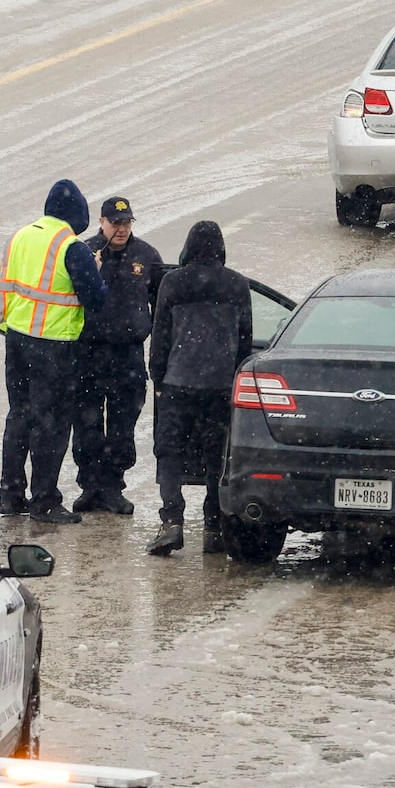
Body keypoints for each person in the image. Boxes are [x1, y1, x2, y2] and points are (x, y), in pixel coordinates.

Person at [0, 179, 106, 523]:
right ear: (76, 215)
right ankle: (45, 501)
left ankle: (10, 495)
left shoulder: (22, 236)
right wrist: (96, 271)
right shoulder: (72, 247)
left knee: (19, 416)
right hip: (54, 346)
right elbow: (95, 299)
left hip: (17, 338)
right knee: (51, 425)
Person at [146, 219, 253, 556]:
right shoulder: (237, 285)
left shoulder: (173, 283)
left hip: (178, 383)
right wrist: (235, 378)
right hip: (220, 386)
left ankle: (172, 522)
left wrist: (158, 377)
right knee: (216, 457)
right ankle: (213, 527)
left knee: (169, 452)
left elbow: (160, 335)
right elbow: (245, 342)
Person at [71, 195, 163, 516]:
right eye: (115, 223)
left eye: (126, 223)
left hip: (127, 355)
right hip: (88, 353)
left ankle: (113, 486)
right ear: (102, 222)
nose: (121, 229)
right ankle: (90, 486)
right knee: (86, 424)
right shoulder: (83, 252)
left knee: (122, 425)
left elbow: (161, 306)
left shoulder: (147, 256)